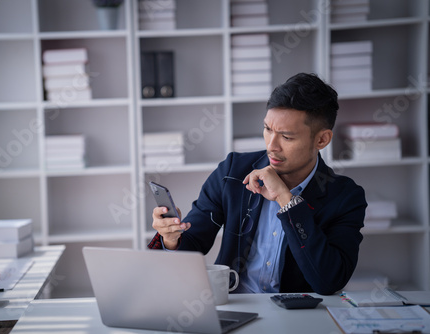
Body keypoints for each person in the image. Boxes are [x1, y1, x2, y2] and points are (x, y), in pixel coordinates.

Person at [148, 73, 367, 295]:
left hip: (299, 318)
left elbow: (328, 281)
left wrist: (286, 199)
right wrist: (171, 238)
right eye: (268, 129)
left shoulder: (345, 196)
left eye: (287, 137)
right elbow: (194, 243)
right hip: (234, 308)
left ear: (322, 140)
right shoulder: (232, 172)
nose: (272, 146)